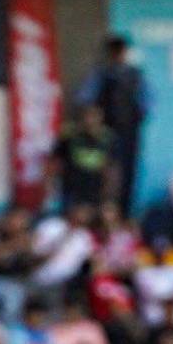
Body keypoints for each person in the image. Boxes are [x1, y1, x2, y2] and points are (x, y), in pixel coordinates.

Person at [74, 36, 150, 216]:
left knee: (128, 172)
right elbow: (83, 99)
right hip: (105, 132)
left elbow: (148, 102)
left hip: (129, 131)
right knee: (101, 172)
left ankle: (123, 212)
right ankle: (102, 212)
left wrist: (137, 117)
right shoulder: (101, 74)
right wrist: (94, 120)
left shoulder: (136, 75)